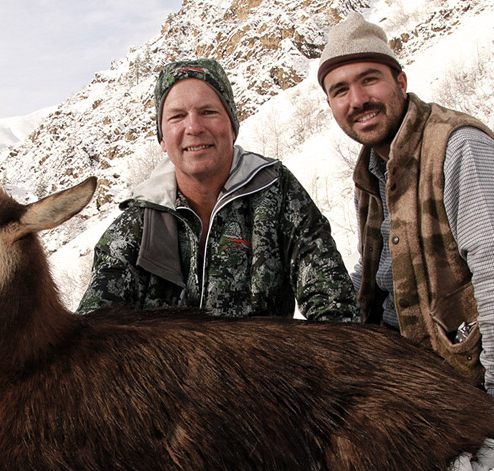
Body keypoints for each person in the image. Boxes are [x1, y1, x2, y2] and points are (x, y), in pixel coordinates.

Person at [318, 12, 494, 413]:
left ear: (400, 83)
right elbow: (378, 268)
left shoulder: (458, 147)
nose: (357, 100)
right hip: (396, 355)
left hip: (451, 371)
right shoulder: (370, 170)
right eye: (339, 90)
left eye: (369, 79)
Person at [77, 58, 359, 322]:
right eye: (177, 117)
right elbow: (92, 332)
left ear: (232, 127)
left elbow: (335, 308)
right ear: (163, 139)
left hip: (266, 371)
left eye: (208, 112)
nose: (194, 127)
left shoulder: (276, 189)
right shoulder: (138, 222)